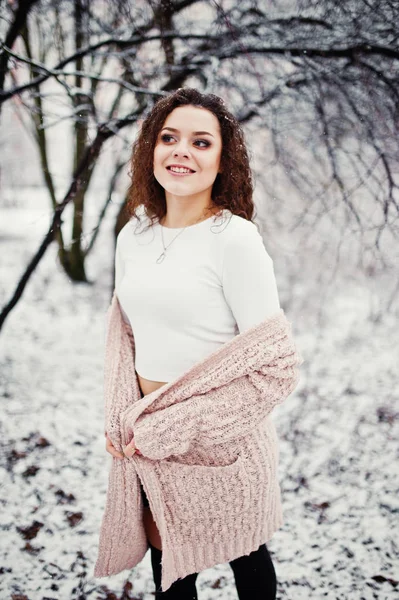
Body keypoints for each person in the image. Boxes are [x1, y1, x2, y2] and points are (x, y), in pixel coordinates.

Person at [97, 87, 302, 598]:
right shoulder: (133, 235)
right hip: (149, 439)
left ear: (222, 159)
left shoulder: (234, 240)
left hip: (222, 441)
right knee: (170, 566)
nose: (181, 151)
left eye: (200, 141)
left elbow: (275, 367)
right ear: (151, 150)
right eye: (169, 137)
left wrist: (178, 426)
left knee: (246, 556)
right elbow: (126, 335)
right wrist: (122, 415)